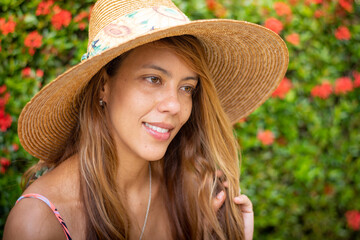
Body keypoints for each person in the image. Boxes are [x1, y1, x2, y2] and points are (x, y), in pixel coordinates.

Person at [4, 0, 288, 239]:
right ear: (104, 85)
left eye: (187, 87)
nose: (174, 105)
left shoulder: (191, 191)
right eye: (153, 79)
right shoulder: (41, 221)